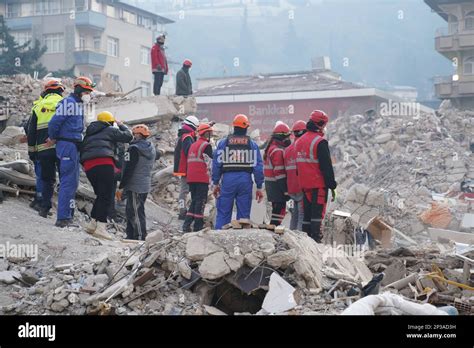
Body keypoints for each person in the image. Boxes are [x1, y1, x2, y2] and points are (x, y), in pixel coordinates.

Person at [47, 76, 95, 228]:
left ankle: (68, 216)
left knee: (72, 183)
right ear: (80, 89)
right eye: (87, 91)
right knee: (68, 182)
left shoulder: (77, 104)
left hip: (72, 145)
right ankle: (63, 218)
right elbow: (55, 121)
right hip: (67, 145)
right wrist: (53, 137)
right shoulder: (69, 103)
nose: (88, 95)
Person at [80, 111, 133, 239]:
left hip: (89, 167)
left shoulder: (88, 134)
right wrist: (121, 125)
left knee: (100, 195)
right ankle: (101, 228)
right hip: (104, 163)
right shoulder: (110, 130)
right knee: (106, 196)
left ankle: (92, 224)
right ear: (109, 122)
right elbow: (128, 136)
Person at [212, 114, 264, 229]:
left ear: (234, 127)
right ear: (246, 128)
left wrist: (215, 183)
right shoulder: (252, 145)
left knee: (223, 212)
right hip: (245, 180)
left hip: (227, 180)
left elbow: (216, 165)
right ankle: (242, 239)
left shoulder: (223, 143)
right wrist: (259, 186)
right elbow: (258, 167)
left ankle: (220, 237)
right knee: (243, 216)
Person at [295, 110, 337, 242]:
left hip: (304, 186)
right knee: (317, 217)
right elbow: (326, 167)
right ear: (320, 124)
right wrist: (332, 185)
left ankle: (306, 244)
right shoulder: (320, 142)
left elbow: (298, 167)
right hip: (318, 186)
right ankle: (316, 243)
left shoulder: (299, 141)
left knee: (307, 217)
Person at [28, 80, 65, 217]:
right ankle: (64, 213)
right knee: (65, 180)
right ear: (61, 91)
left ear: (46, 91)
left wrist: (32, 151)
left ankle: (44, 208)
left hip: (43, 150)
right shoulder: (65, 104)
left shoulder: (38, 105)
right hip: (62, 149)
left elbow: (31, 131)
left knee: (47, 179)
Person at [120, 124, 156, 241]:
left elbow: (128, 169)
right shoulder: (150, 148)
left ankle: (140, 237)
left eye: (134, 134)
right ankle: (130, 235)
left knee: (135, 212)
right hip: (144, 184)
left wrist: (121, 186)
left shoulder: (134, 149)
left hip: (135, 185)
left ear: (137, 135)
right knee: (132, 210)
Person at [182, 123, 214, 232]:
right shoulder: (206, 145)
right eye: (210, 133)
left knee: (195, 201)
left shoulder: (193, 144)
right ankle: (198, 227)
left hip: (191, 178)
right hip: (201, 177)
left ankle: (186, 225)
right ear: (206, 133)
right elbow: (210, 162)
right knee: (201, 202)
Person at [264, 122, 291, 226]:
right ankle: (273, 231)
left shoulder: (271, 147)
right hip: (277, 186)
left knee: (277, 210)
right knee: (279, 212)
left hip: (271, 185)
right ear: (282, 137)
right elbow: (279, 173)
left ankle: (273, 229)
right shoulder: (277, 151)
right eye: (287, 137)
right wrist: (285, 190)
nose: (288, 139)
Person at [173, 115, 199, 220]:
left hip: (184, 167)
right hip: (185, 168)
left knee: (184, 191)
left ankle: (183, 210)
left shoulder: (184, 135)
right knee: (184, 191)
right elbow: (190, 151)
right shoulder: (187, 137)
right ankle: (182, 211)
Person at [284, 120, 307, 231]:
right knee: (302, 216)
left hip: (291, 188)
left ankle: (291, 238)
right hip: (302, 187)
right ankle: (299, 240)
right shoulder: (304, 147)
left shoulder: (287, 150)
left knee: (295, 215)